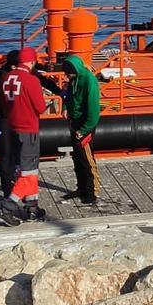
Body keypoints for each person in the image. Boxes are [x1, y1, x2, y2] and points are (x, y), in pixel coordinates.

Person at [0, 46, 46, 226]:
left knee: (27, 170)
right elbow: (40, 107)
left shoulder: (6, 78)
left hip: (13, 128)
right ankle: (8, 206)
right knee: (28, 172)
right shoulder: (31, 80)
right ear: (31, 62)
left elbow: (3, 104)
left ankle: (32, 207)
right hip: (28, 129)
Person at [59, 55, 102, 205]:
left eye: (68, 73)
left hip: (85, 125)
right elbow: (68, 95)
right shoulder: (73, 79)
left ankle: (92, 191)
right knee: (77, 158)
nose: (66, 76)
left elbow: (93, 111)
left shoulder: (89, 81)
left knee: (87, 159)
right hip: (74, 121)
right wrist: (65, 107)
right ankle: (81, 188)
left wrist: (84, 130)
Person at [0, 49, 20, 198]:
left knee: (15, 154)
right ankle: (8, 187)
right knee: (6, 154)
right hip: (5, 119)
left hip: (15, 118)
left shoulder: (17, 75)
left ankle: (15, 183)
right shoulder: (2, 79)